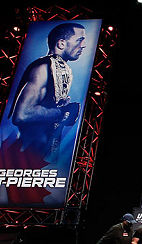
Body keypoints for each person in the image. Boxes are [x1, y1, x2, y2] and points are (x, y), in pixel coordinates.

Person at [8, 22, 86, 162]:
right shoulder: (43, 68)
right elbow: (22, 114)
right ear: (61, 44)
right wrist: (61, 112)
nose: (83, 45)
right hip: (27, 156)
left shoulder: (59, 67)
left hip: (44, 156)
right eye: (79, 40)